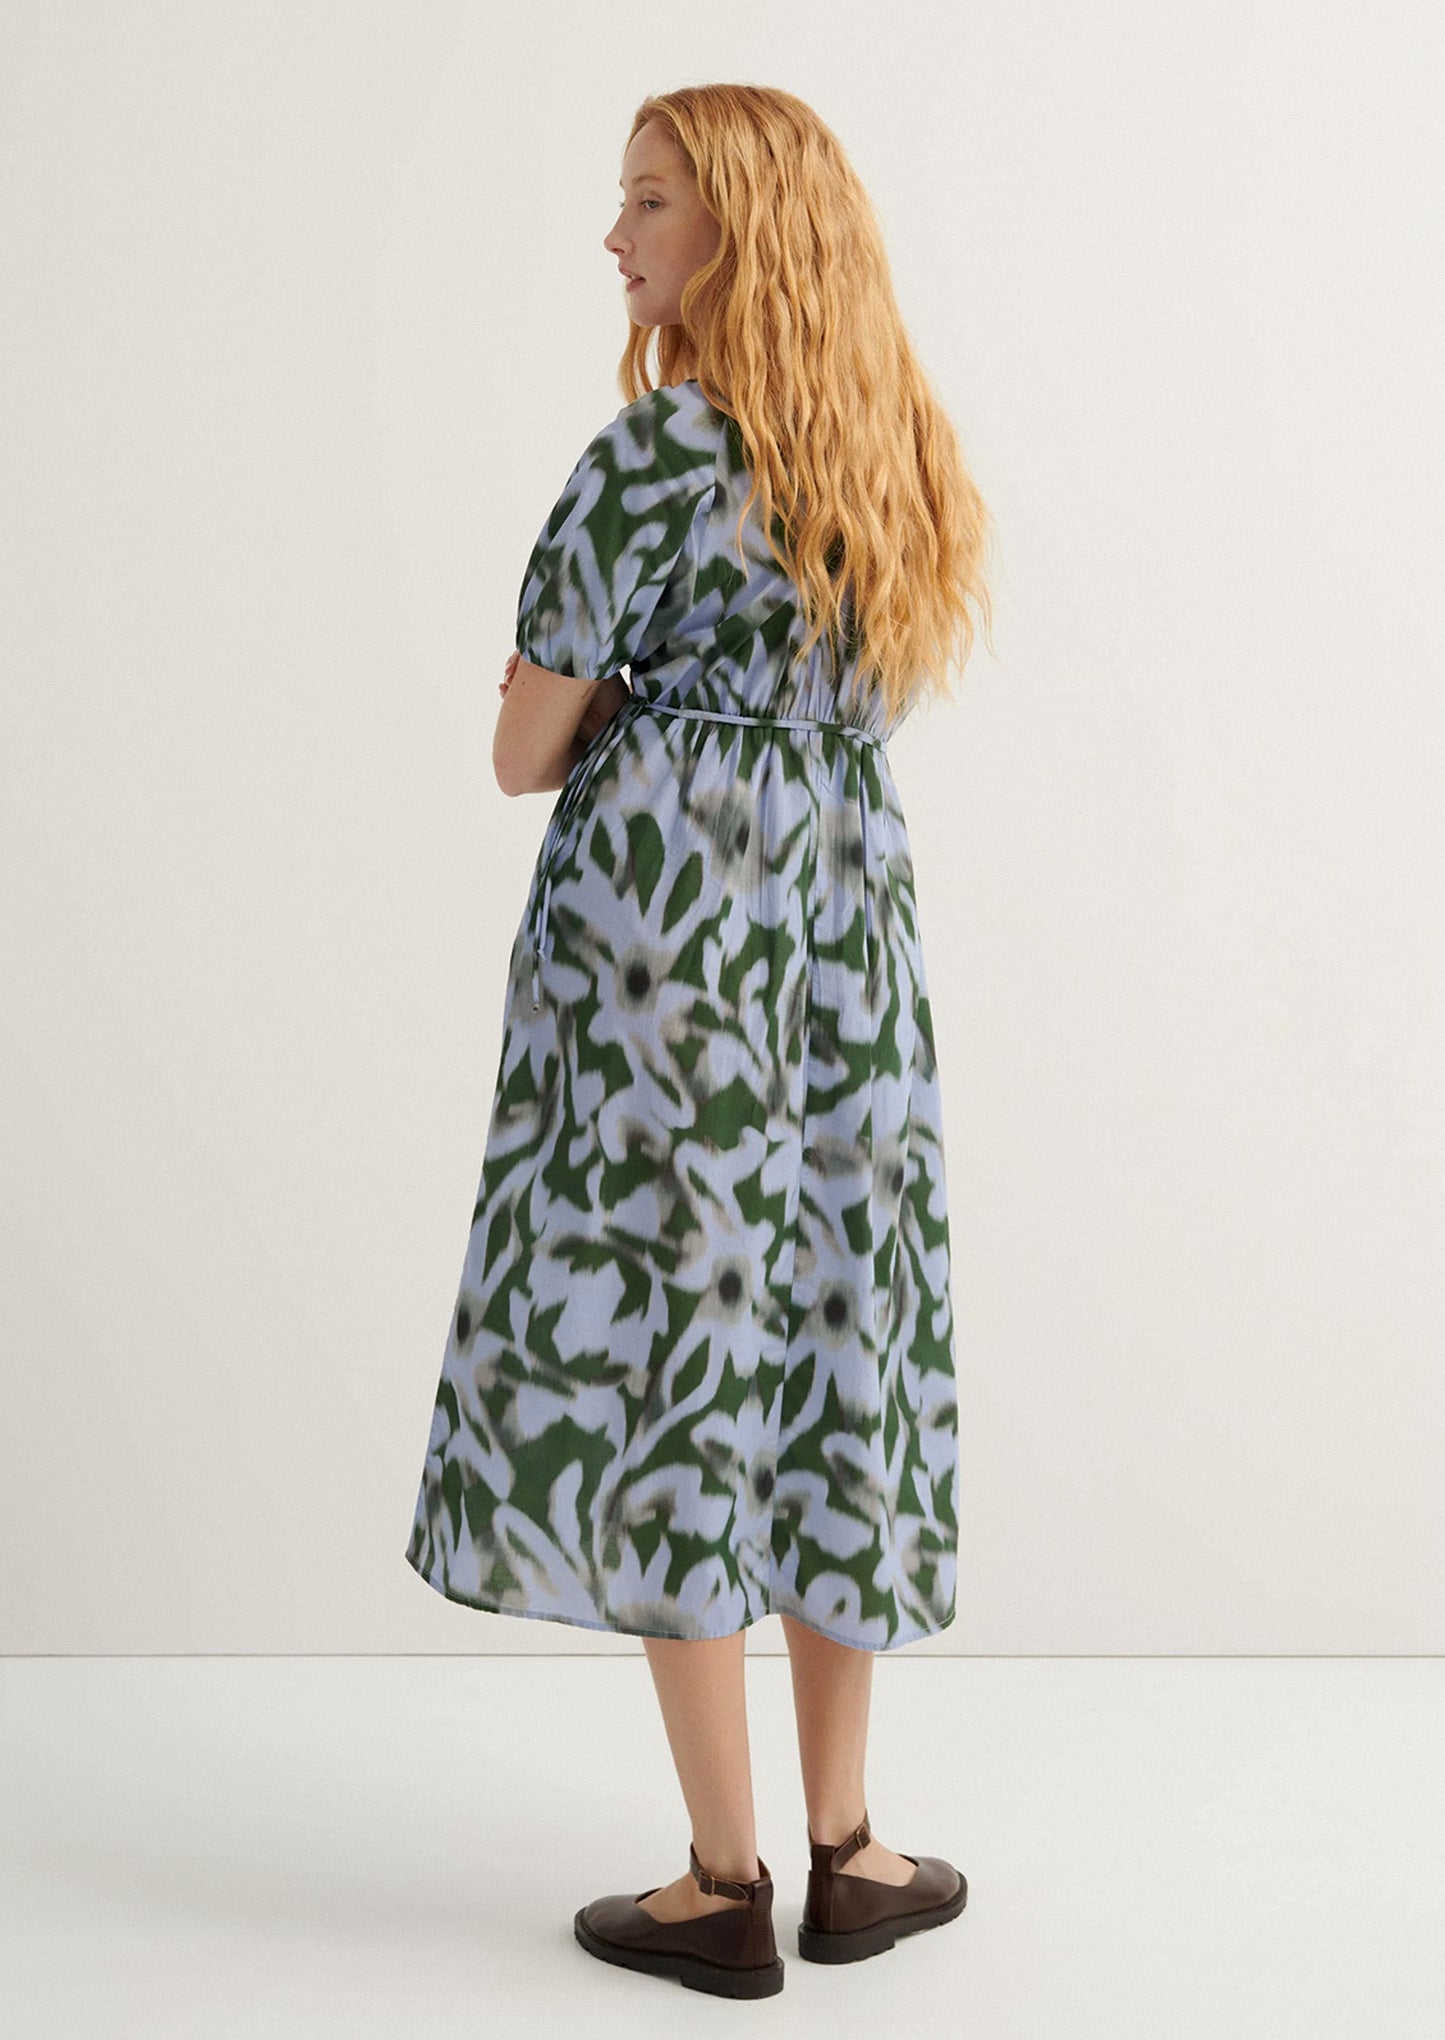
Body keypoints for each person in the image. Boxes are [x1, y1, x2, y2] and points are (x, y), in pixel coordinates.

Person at [404, 83, 995, 1997]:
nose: (616, 239)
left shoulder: (653, 457)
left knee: (674, 1335)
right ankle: (850, 1849)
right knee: (833, 1322)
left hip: (666, 959)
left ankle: (720, 1882)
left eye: (648, 201)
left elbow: (519, 752)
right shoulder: (895, 455)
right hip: (843, 953)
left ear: (738, 226)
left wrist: (568, 690)